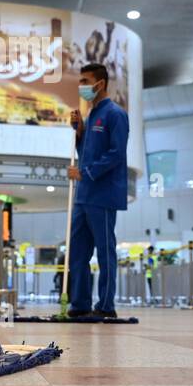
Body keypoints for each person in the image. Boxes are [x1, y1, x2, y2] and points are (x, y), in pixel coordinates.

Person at [65, 63, 130, 318]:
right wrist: (80, 133)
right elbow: (87, 153)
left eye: (85, 80)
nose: (81, 86)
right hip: (83, 196)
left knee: (105, 251)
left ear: (99, 84)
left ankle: (105, 306)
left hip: (103, 195)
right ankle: (79, 304)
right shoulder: (91, 115)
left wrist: (86, 172)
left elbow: (116, 153)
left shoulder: (115, 114)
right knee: (78, 252)